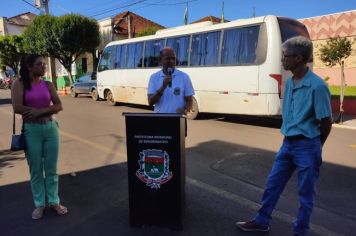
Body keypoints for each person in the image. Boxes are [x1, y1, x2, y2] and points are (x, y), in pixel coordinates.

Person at [236, 36, 332, 236]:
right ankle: (262, 221)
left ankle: (300, 232)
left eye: (285, 57)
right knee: (273, 185)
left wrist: (316, 145)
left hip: (307, 145)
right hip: (287, 144)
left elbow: (326, 122)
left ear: (298, 58)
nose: (282, 60)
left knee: (305, 194)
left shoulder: (317, 86)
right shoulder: (289, 83)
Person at [11, 54, 68, 220]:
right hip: (31, 130)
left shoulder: (48, 84)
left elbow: (59, 105)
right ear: (29, 67)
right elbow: (17, 107)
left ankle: (54, 201)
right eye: (40, 64)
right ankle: (39, 204)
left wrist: (40, 111)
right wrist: (46, 109)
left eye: (44, 64)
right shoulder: (19, 84)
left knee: (51, 169)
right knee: (36, 169)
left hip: (51, 128)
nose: (44, 66)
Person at [147, 47, 195, 115]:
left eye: (173, 58)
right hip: (159, 119)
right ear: (160, 60)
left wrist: (185, 109)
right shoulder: (154, 77)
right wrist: (163, 87)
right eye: (168, 59)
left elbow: (189, 100)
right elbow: (150, 102)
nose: (171, 61)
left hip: (177, 119)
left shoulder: (184, 77)